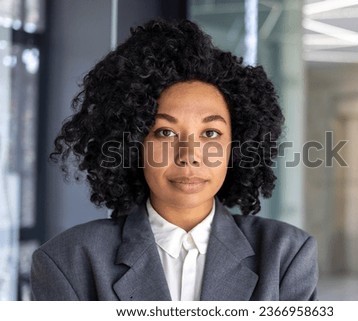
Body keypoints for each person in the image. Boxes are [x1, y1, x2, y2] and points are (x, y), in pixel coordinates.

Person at [30, 19, 318, 301]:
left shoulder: (286, 255)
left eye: (210, 132)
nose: (189, 155)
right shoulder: (68, 260)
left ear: (237, 144)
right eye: (165, 132)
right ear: (133, 142)